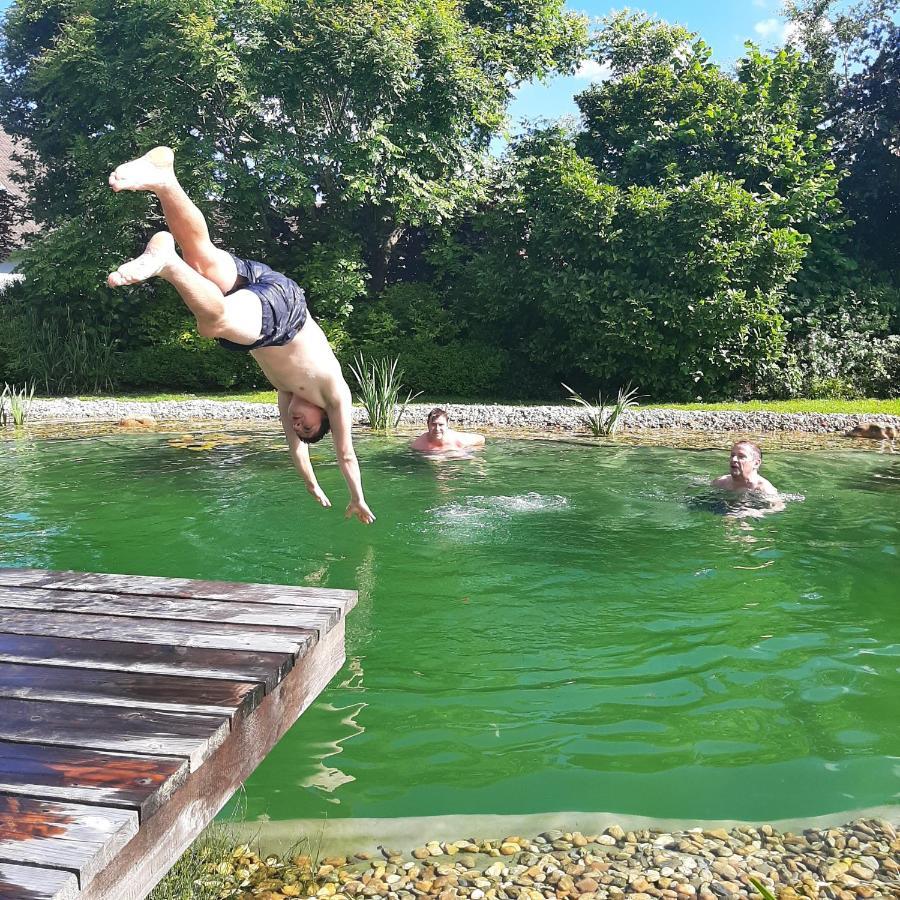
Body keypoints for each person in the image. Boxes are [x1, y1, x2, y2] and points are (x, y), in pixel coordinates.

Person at [106, 146, 375, 524]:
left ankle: (164, 178)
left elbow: (295, 450)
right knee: (212, 326)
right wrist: (356, 498)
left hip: (275, 293)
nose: (298, 424)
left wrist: (311, 484)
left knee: (201, 255)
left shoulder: (288, 395)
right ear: (323, 416)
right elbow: (346, 453)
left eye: (299, 427)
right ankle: (167, 263)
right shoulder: (335, 394)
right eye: (308, 425)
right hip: (285, 316)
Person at [712, 441, 783, 514]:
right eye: (732, 455)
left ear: (756, 463)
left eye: (741, 456)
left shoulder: (764, 489)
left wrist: (753, 512)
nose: (734, 459)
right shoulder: (720, 483)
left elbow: (779, 507)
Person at [411, 407, 485, 455]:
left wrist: (469, 451)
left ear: (447, 425)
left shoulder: (458, 440)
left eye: (441, 425)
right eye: (433, 424)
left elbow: (481, 439)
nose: (437, 428)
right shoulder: (418, 444)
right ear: (428, 425)